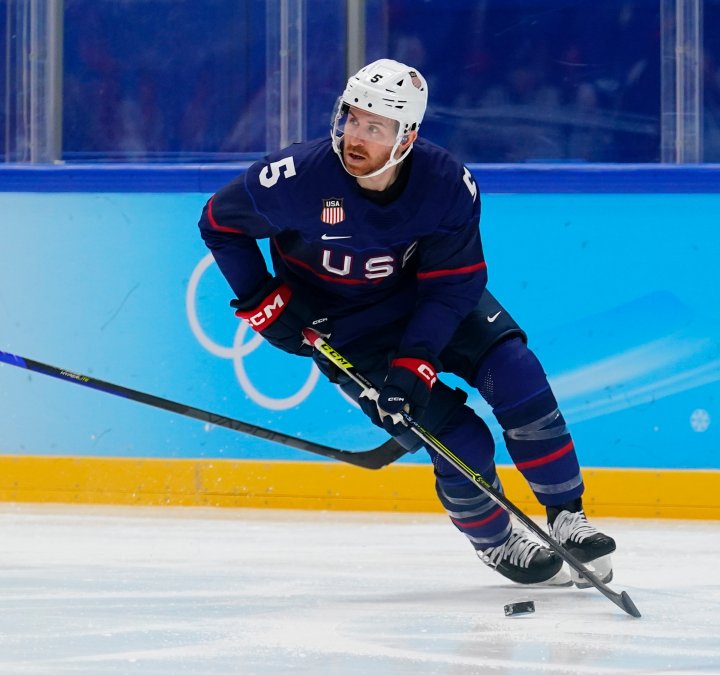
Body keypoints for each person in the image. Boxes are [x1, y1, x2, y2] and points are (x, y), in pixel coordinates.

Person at [197, 59, 616, 587]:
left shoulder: (446, 185)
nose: (356, 136)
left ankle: (566, 517)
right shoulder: (296, 179)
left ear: (407, 136)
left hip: (429, 304)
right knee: (461, 440)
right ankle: (495, 540)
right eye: (352, 119)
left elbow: (451, 285)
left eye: (376, 127)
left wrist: (415, 363)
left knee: (516, 372)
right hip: (349, 331)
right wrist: (264, 302)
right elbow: (218, 224)